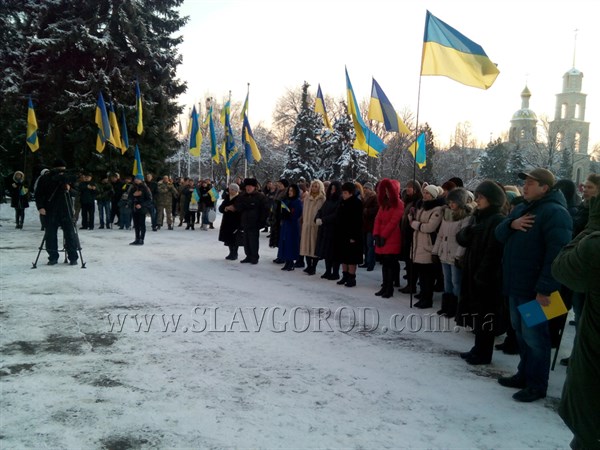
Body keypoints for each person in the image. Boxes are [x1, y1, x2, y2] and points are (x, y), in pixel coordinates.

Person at [495, 168, 572, 402]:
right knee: (520, 333)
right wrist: (511, 224)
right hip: (516, 285)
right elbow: (498, 234)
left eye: (531, 183)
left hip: (536, 291)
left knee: (536, 338)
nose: (525, 186)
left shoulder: (555, 213)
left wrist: (546, 289)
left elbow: (557, 255)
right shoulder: (521, 209)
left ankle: (537, 385)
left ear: (545, 188)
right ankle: (523, 374)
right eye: (525, 182)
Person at [551, 195, 600, 450]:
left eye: (593, 191)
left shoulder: (557, 214)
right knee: (522, 326)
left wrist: (591, 228)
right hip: (530, 283)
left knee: (536, 332)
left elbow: (558, 263)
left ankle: (534, 380)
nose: (588, 195)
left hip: (551, 289)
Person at [455, 181, 506, 365]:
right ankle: (477, 348)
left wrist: (482, 275)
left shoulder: (497, 219)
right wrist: (470, 230)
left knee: (486, 316)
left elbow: (493, 252)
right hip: (472, 271)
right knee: (478, 315)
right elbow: (461, 238)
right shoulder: (478, 216)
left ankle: (484, 353)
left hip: (486, 277)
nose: (477, 200)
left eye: (481, 197)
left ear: (491, 199)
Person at [432, 187, 472, 317]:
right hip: (444, 252)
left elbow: (463, 239)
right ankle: (446, 306)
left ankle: (455, 308)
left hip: (455, 254)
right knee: (446, 280)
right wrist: (435, 251)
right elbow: (440, 235)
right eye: (450, 202)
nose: (451, 204)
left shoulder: (466, 217)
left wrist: (459, 255)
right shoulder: (446, 214)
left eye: (454, 202)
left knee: (456, 282)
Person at [34, 159, 79, 265]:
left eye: (63, 170)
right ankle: (53, 257)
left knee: (70, 234)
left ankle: (73, 257)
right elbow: (39, 194)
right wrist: (40, 207)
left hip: (66, 209)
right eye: (59, 169)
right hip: (50, 209)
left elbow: (76, 192)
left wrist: (69, 188)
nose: (61, 172)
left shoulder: (68, 178)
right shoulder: (45, 178)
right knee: (50, 234)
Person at [407, 184, 445, 308]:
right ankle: (423, 296)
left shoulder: (437, 209)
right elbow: (416, 221)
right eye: (424, 192)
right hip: (418, 244)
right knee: (422, 275)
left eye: (428, 193)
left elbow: (429, 227)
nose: (425, 195)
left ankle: (427, 299)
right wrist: (411, 216)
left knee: (427, 275)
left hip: (428, 246)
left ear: (433, 195)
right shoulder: (422, 206)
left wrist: (414, 224)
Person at [372, 179, 404, 298]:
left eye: (388, 190)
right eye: (384, 190)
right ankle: (385, 286)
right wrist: (376, 234)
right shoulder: (384, 204)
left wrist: (383, 235)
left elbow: (393, 222)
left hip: (391, 237)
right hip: (382, 237)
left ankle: (389, 288)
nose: (386, 192)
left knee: (390, 264)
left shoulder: (398, 204)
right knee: (385, 264)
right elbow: (378, 220)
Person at [226, 178, 268, 264]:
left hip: (255, 222)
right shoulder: (242, 196)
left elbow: (264, 210)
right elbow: (238, 206)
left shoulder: (260, 196)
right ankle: (248, 256)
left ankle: (254, 257)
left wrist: (262, 222)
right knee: (246, 240)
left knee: (253, 241)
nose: (248, 188)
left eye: (250, 186)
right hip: (244, 221)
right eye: (247, 186)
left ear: (254, 187)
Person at [332, 182, 364, 288]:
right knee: (343, 256)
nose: (343, 195)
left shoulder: (357, 203)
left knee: (351, 258)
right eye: (343, 193)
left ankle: (351, 277)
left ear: (351, 193)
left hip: (352, 235)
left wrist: (354, 236)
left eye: (345, 193)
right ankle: (344, 275)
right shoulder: (342, 202)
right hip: (342, 234)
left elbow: (358, 222)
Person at [315, 181, 342, 280]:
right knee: (326, 251)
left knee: (334, 252)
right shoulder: (328, 200)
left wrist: (323, 220)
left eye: (334, 189)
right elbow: (321, 210)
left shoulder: (339, 200)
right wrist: (317, 217)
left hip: (334, 229)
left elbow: (336, 215)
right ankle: (327, 271)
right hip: (325, 228)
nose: (332, 190)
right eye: (331, 188)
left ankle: (335, 273)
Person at [299, 180, 326, 275]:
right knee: (306, 246)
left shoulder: (322, 199)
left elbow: (322, 212)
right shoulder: (307, 198)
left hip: (316, 226)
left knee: (314, 247)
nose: (314, 188)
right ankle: (308, 266)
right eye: (313, 186)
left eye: (316, 186)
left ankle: (313, 267)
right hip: (306, 225)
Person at [278, 184, 303, 271]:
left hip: (292, 225)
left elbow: (297, 213)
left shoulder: (297, 201)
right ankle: (286, 261)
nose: (290, 192)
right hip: (286, 224)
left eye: (292, 190)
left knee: (291, 243)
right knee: (284, 242)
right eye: (289, 190)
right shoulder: (286, 200)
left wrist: (289, 215)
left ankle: (291, 262)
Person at [218, 183, 242, 260]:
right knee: (228, 238)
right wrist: (225, 208)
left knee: (235, 238)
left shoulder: (239, 198)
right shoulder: (227, 197)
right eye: (229, 189)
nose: (230, 190)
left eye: (232, 189)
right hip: (227, 220)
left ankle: (235, 253)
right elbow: (221, 208)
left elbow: (240, 209)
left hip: (235, 221)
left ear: (236, 190)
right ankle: (231, 252)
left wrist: (234, 209)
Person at [128, 175, 153, 245]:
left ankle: (142, 239)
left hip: (142, 208)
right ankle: (137, 238)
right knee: (136, 224)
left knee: (142, 224)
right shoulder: (133, 187)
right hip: (134, 207)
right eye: (135, 179)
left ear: (141, 180)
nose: (136, 180)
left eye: (138, 179)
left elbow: (149, 199)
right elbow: (129, 197)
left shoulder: (145, 188)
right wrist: (134, 196)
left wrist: (141, 205)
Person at [360, 182, 379, 272]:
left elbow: (376, 209)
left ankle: (371, 262)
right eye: (364, 188)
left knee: (370, 245)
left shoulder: (374, 198)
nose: (365, 190)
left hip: (371, 225)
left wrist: (366, 211)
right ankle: (367, 261)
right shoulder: (365, 198)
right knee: (366, 245)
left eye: (366, 188)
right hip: (365, 225)